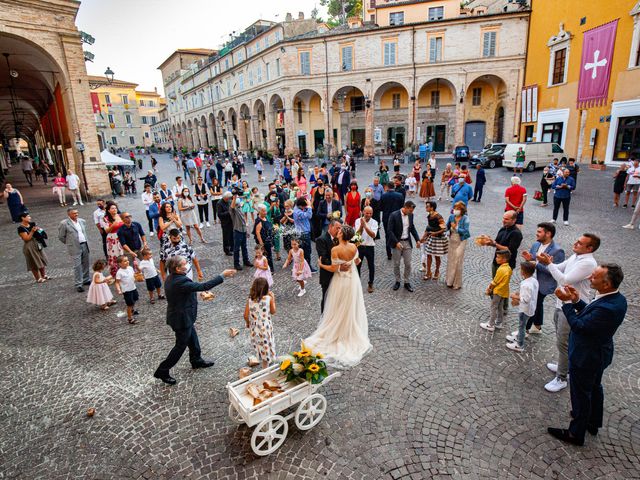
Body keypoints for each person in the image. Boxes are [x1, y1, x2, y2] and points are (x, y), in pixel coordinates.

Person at [548, 264, 627, 446]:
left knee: (581, 394)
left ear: (606, 284)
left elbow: (580, 326)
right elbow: (591, 316)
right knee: (594, 388)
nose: (590, 277)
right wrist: (576, 302)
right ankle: (592, 421)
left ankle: (576, 432)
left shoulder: (607, 307)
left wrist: (567, 303)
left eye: (594, 277)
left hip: (587, 357)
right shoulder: (616, 299)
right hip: (599, 353)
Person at [153, 256, 236, 385]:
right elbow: (204, 286)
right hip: (181, 319)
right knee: (180, 346)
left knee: (193, 338)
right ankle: (162, 370)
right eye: (184, 264)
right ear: (177, 268)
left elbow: (184, 292)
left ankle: (196, 360)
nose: (187, 265)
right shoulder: (179, 281)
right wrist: (222, 275)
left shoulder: (172, 278)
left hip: (183, 317)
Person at [538, 233, 599, 393]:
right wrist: (548, 263)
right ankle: (564, 366)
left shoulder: (588, 263)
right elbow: (558, 268)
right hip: (562, 303)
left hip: (572, 306)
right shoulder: (576, 256)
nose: (575, 243)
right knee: (562, 338)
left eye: (580, 243)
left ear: (589, 248)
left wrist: (549, 264)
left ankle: (562, 377)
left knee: (563, 342)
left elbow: (565, 280)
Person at [306, 224, 371, 367]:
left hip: (340, 281)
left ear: (342, 235)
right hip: (353, 281)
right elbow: (358, 261)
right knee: (348, 307)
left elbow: (334, 269)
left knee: (337, 306)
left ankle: (337, 332)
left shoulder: (335, 249)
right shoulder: (354, 247)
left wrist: (320, 265)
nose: (338, 231)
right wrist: (351, 261)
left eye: (340, 231)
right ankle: (348, 332)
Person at [520, 222, 565, 334]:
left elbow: (555, 271)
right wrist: (529, 259)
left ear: (548, 234)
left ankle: (525, 330)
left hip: (543, 283)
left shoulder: (557, 251)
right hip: (532, 280)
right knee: (538, 304)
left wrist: (535, 263)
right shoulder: (536, 245)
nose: (537, 234)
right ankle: (537, 326)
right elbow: (532, 261)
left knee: (533, 304)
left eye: (539, 232)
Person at [387, 201, 421, 292]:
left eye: (412, 211)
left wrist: (417, 239)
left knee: (408, 263)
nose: (411, 212)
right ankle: (397, 281)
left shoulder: (410, 215)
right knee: (397, 263)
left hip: (407, 242)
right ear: (405, 207)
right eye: (410, 210)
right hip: (397, 242)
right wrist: (396, 242)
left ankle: (407, 282)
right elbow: (389, 230)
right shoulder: (394, 215)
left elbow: (412, 228)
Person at [505, 261, 539, 352]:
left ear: (523, 272)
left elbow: (525, 300)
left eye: (521, 269)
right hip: (530, 308)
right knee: (522, 325)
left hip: (525, 309)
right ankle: (518, 338)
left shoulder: (526, 285)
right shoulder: (534, 280)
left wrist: (514, 296)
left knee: (521, 326)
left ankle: (519, 344)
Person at [244, 278, 276, 369]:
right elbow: (273, 311)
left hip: (255, 327)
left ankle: (262, 358)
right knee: (266, 344)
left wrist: (248, 323)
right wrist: (273, 298)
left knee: (259, 344)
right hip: (265, 327)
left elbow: (245, 315)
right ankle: (265, 367)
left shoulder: (250, 300)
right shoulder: (268, 299)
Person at [58, 207, 91, 292]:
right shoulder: (64, 224)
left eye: (77, 213)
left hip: (84, 244)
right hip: (74, 247)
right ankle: (78, 284)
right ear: (69, 214)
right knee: (77, 266)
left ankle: (86, 279)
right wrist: (70, 243)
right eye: (74, 213)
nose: (76, 214)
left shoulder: (82, 221)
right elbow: (61, 237)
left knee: (86, 263)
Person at [480, 250, 512, 332]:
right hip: (504, 292)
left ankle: (490, 324)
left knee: (493, 307)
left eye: (498, 257)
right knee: (500, 307)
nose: (496, 259)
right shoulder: (508, 268)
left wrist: (489, 289)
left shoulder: (501, 269)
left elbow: (495, 281)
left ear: (504, 259)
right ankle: (499, 323)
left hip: (497, 291)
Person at [316, 218, 343, 312]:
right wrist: (339, 265)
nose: (339, 231)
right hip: (327, 275)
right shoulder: (321, 240)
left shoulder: (340, 239)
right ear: (330, 227)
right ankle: (324, 318)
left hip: (339, 276)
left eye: (340, 229)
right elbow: (323, 259)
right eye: (337, 228)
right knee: (326, 298)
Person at [488, 211, 523, 275]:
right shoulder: (503, 228)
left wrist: (495, 244)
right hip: (496, 261)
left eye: (506, 219)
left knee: (501, 284)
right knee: (495, 282)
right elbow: (496, 242)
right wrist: (489, 242)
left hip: (506, 265)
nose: (503, 221)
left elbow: (509, 250)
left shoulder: (516, 233)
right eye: (503, 218)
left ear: (514, 220)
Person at [445, 201, 470, 290]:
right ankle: (449, 280)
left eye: (457, 209)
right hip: (452, 240)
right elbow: (446, 227)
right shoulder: (451, 217)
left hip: (461, 240)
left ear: (462, 210)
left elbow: (466, 231)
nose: (455, 210)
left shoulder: (465, 219)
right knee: (451, 260)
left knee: (457, 260)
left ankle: (457, 283)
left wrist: (456, 227)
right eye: (455, 208)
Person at [17, 212, 48, 283]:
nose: (30, 218)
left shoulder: (32, 224)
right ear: (23, 218)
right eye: (28, 216)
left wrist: (39, 230)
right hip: (29, 246)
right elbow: (26, 239)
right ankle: (38, 278)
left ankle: (43, 275)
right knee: (33, 262)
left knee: (41, 260)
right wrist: (32, 231)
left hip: (37, 244)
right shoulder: (21, 228)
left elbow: (39, 232)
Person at [420, 201, 447, 281]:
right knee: (428, 255)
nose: (426, 208)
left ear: (432, 207)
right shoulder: (429, 215)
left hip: (438, 239)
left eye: (427, 206)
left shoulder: (438, 216)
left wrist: (435, 233)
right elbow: (428, 227)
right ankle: (428, 272)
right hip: (431, 237)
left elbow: (444, 228)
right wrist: (423, 237)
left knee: (437, 256)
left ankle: (437, 271)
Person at [355, 206, 378, 293]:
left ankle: (370, 283)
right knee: (358, 266)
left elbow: (373, 235)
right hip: (360, 245)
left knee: (371, 266)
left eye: (370, 213)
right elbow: (357, 235)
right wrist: (362, 225)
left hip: (370, 246)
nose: (368, 215)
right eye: (367, 213)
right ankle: (357, 283)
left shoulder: (375, 222)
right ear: (363, 212)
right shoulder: (358, 221)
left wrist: (365, 226)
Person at [380, 182, 405, 260]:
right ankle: (398, 250)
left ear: (387, 187)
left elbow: (381, 208)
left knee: (388, 235)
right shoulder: (400, 195)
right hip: (397, 218)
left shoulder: (383, 195)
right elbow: (402, 207)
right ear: (394, 186)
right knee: (398, 234)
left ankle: (389, 254)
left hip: (386, 218)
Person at [100, 202, 125, 277]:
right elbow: (107, 231)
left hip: (121, 236)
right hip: (113, 238)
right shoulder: (105, 219)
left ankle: (125, 270)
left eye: (115, 208)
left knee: (124, 253)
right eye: (112, 208)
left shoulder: (120, 216)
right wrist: (113, 225)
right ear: (108, 210)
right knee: (115, 255)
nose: (114, 210)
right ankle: (116, 273)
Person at [230, 191, 252, 270]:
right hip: (237, 231)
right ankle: (236, 264)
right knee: (236, 248)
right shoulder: (233, 210)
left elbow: (244, 221)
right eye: (238, 203)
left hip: (243, 230)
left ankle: (246, 261)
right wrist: (235, 197)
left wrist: (246, 231)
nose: (240, 204)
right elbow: (232, 207)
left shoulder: (240, 209)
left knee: (244, 247)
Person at [293, 197, 316, 272]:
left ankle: (304, 266)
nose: (305, 207)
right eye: (304, 206)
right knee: (306, 251)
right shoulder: (297, 212)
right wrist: (309, 206)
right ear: (301, 206)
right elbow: (309, 216)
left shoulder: (299, 208)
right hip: (303, 234)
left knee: (304, 251)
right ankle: (306, 267)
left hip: (303, 233)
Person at [115, 255, 139, 324]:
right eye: (125, 261)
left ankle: (132, 310)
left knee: (134, 299)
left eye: (127, 260)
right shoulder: (119, 272)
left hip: (133, 288)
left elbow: (134, 275)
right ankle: (130, 318)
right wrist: (119, 290)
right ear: (120, 264)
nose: (127, 261)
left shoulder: (130, 268)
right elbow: (117, 282)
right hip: (127, 290)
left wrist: (137, 275)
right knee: (129, 305)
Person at [253, 204, 274, 272]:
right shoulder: (259, 221)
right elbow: (257, 233)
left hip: (268, 239)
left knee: (269, 254)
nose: (265, 212)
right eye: (263, 211)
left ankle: (268, 267)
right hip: (264, 241)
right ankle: (268, 269)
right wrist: (261, 244)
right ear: (259, 211)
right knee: (266, 255)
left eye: (265, 211)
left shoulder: (265, 217)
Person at [217, 191, 234, 255]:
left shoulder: (229, 201)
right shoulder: (219, 203)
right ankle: (227, 250)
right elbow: (219, 214)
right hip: (225, 223)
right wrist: (229, 212)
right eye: (228, 199)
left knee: (231, 235)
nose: (229, 200)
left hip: (231, 221)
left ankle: (232, 247)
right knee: (226, 237)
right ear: (225, 198)